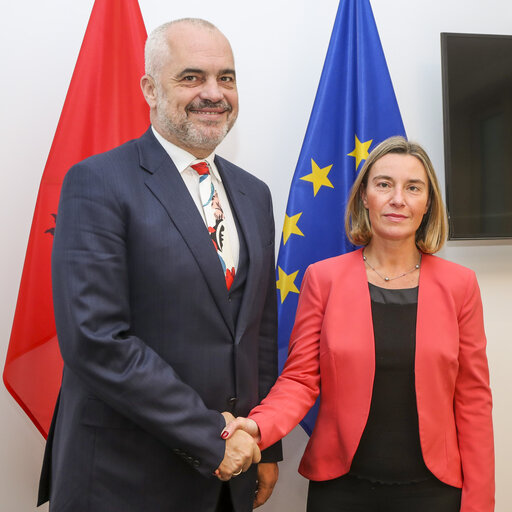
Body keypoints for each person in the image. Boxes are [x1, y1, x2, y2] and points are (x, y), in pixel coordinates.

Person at [38, 18, 281, 512]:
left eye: (226, 78)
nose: (214, 93)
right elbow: (96, 339)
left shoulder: (255, 194)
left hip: (229, 477)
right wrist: (214, 437)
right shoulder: (97, 182)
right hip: (123, 476)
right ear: (150, 89)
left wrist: (265, 440)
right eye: (192, 77)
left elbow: (258, 332)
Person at [222, 136, 494, 512]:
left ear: (427, 203)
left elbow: (474, 402)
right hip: (342, 490)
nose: (398, 198)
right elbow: (300, 380)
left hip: (434, 492)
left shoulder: (460, 285)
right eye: (384, 184)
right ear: (365, 196)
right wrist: (258, 426)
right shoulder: (323, 279)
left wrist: (479, 503)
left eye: (413, 187)